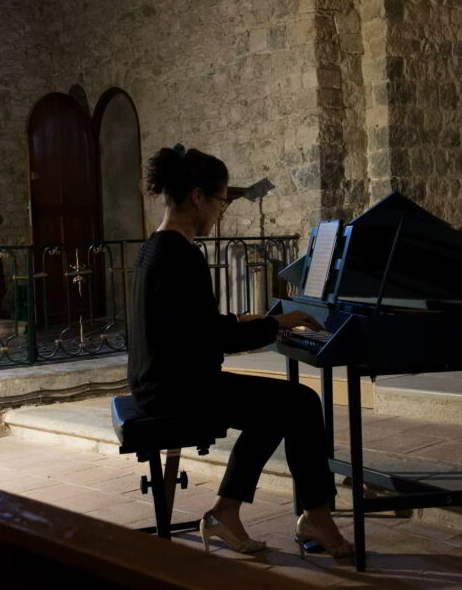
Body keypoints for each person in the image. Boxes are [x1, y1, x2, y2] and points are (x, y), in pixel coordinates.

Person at [128, 143, 352, 558]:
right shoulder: (182, 257)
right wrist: (272, 325)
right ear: (197, 197)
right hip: (176, 390)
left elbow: (190, 325)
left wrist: (252, 320)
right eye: (221, 201)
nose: (221, 211)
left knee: (279, 409)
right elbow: (215, 338)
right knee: (301, 402)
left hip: (160, 383)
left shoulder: (156, 248)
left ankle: (227, 512)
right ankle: (314, 516)